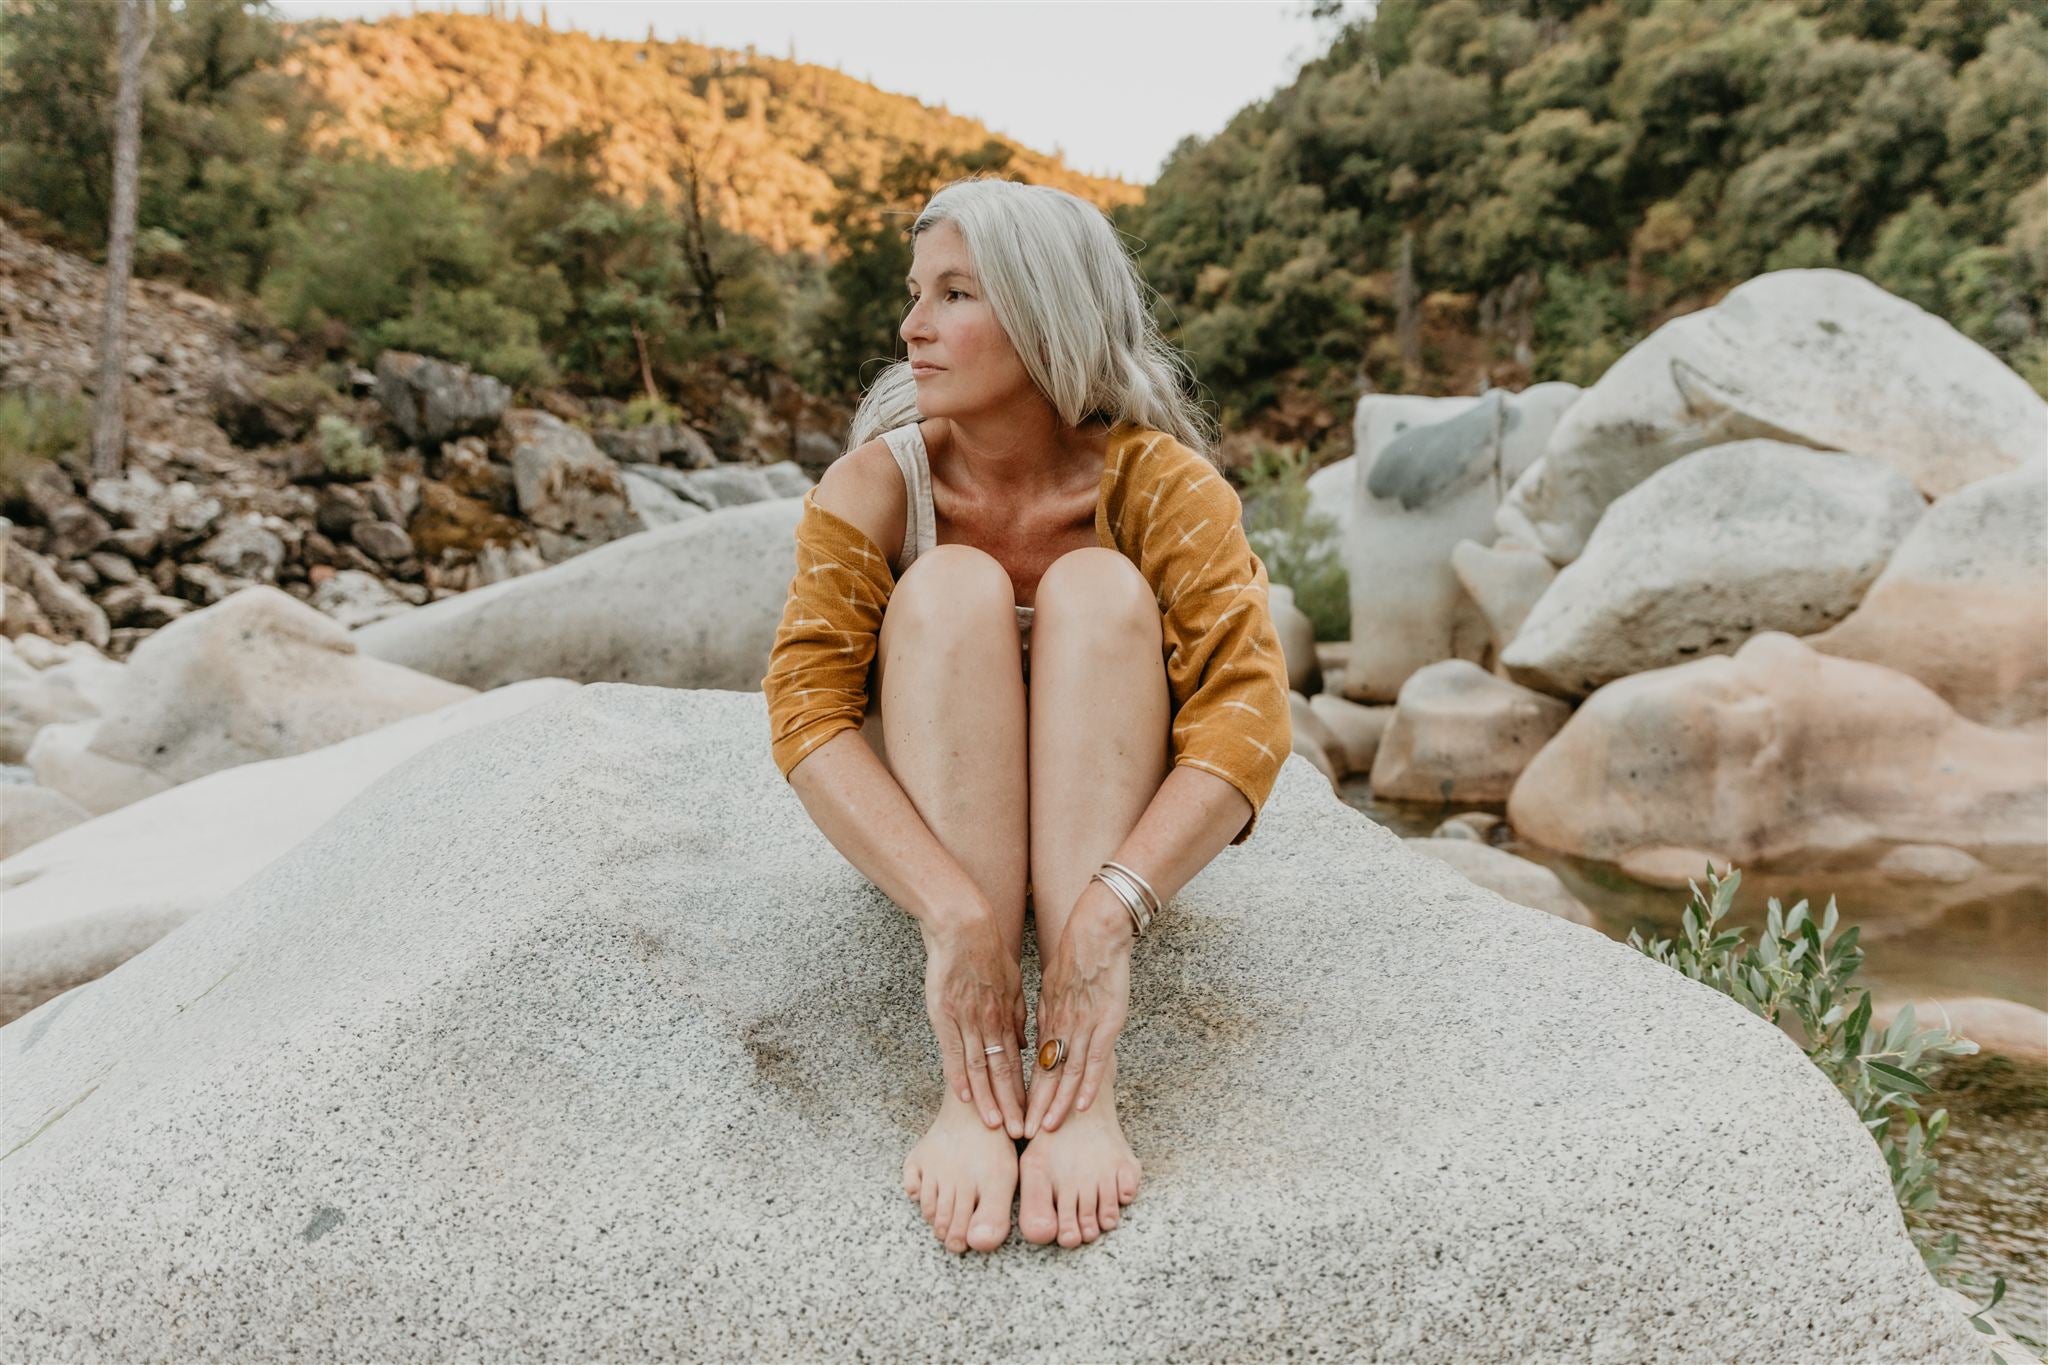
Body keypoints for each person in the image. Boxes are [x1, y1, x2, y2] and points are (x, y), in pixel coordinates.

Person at [760, 176, 1291, 1255]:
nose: (912, 327)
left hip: (1105, 842)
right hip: (938, 841)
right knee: (949, 587)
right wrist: (952, 918)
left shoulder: (1160, 485)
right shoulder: (873, 484)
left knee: (1096, 588)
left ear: (1048, 310)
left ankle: (1075, 1095)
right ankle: (972, 1094)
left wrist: (1105, 920)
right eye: (916, 293)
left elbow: (1247, 716)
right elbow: (805, 711)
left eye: (955, 294)